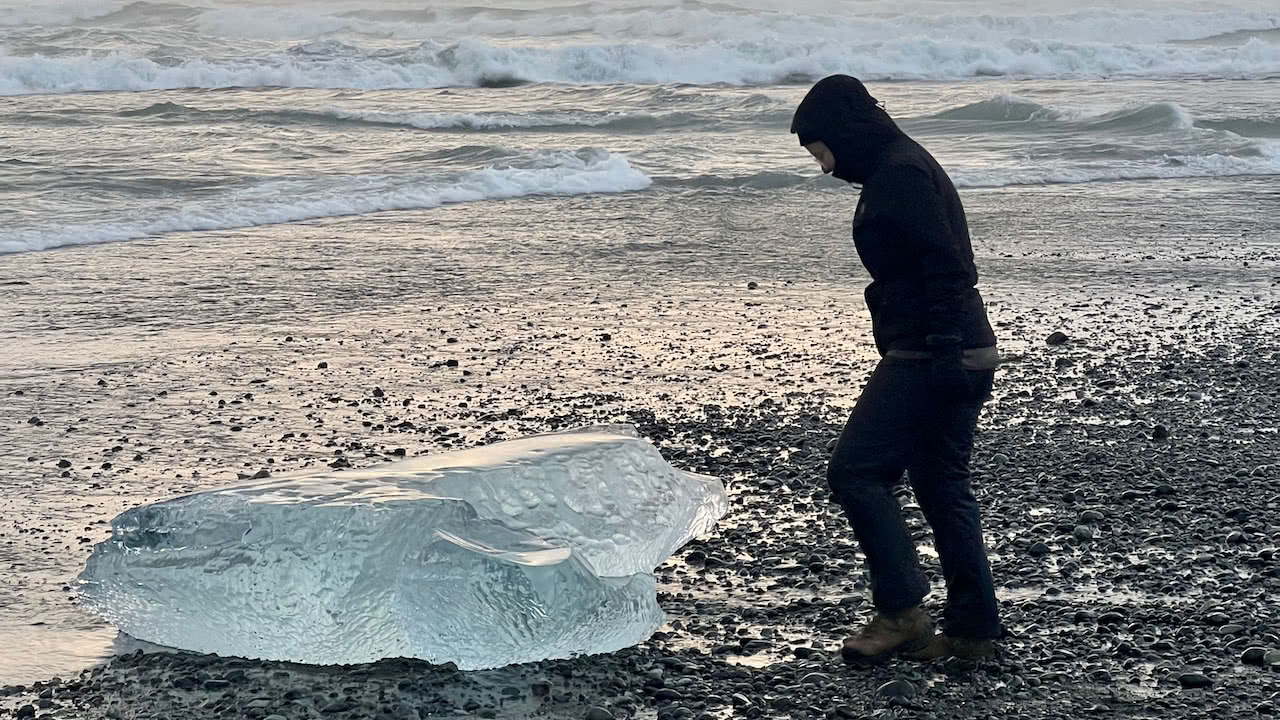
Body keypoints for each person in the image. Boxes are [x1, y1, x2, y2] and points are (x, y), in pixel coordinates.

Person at [789, 74, 1003, 662]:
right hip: (955, 348)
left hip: (935, 353)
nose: (824, 167)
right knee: (940, 484)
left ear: (844, 132)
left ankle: (903, 610)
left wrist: (940, 350)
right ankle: (973, 631)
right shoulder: (897, 166)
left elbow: (949, 265)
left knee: (855, 472)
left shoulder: (901, 173)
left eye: (821, 149)